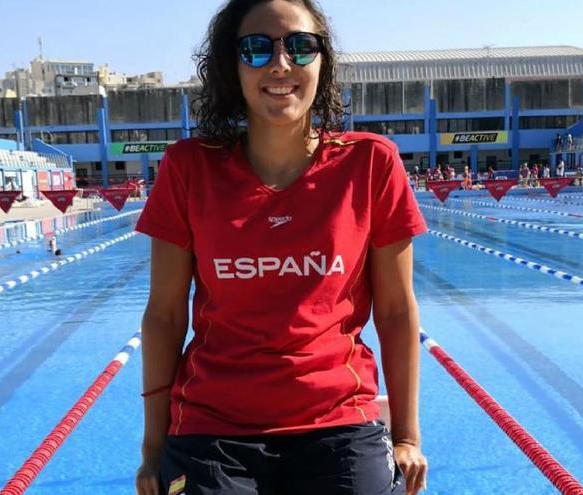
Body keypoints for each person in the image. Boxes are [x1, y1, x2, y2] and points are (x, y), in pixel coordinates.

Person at [133, 1, 427, 494]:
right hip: (212, 427)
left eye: (300, 45)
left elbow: (396, 310)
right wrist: (153, 448)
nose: (280, 63)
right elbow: (164, 315)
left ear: (322, 60)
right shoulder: (188, 169)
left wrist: (407, 436)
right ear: (232, 65)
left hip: (338, 421)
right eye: (256, 48)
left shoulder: (371, 163)